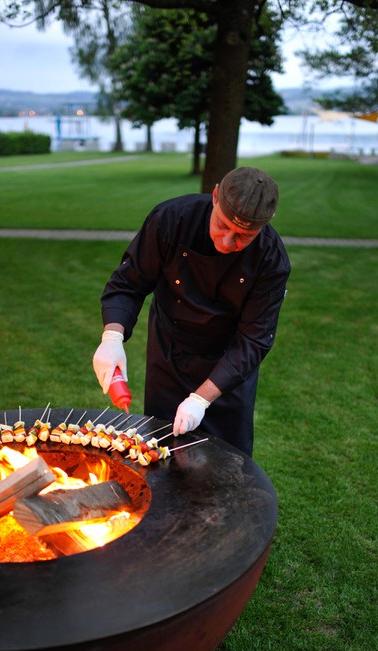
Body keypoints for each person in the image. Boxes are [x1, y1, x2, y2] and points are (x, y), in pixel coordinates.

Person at [92, 166, 291, 457]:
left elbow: (254, 341)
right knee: (160, 457)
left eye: (243, 236)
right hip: (169, 354)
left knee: (228, 465)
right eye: (222, 225)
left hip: (227, 367)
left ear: (264, 225)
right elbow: (128, 283)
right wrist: (112, 338)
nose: (227, 242)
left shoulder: (271, 260)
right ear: (214, 196)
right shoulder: (171, 220)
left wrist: (201, 398)